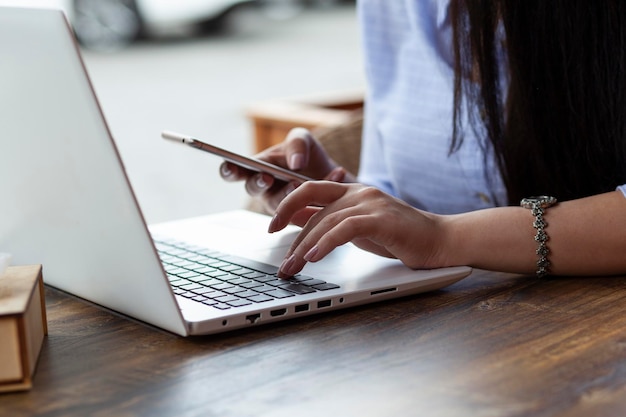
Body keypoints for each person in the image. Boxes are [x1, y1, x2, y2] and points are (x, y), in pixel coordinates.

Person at [221, 0, 626, 279]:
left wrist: (445, 238)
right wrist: (343, 197)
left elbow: (434, 232)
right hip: (445, 340)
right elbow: (401, 192)